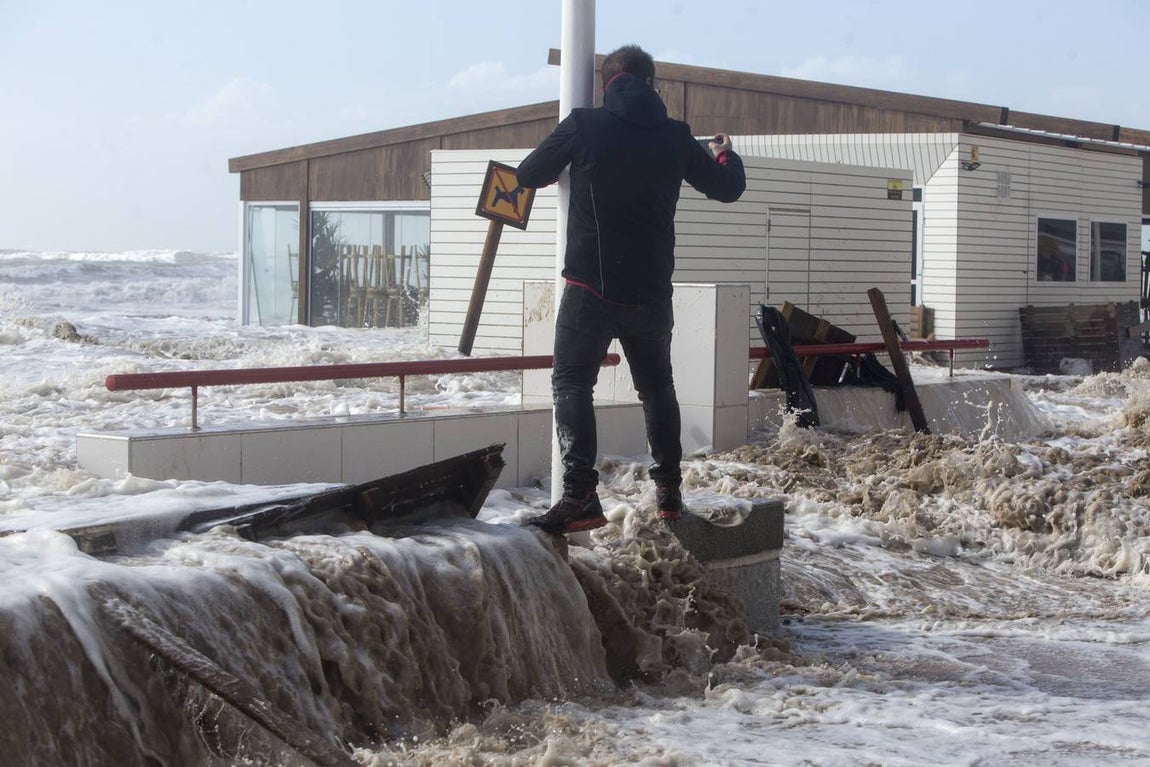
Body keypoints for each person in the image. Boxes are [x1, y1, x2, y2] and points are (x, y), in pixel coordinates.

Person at [515, 44, 746, 534]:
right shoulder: (677, 136)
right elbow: (728, 188)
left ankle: (580, 495)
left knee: (573, 383)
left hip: (590, 289)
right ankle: (668, 494)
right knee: (657, 390)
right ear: (651, 84)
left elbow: (528, 174)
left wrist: (570, 162)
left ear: (608, 83)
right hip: (650, 292)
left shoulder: (583, 124)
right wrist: (725, 151)